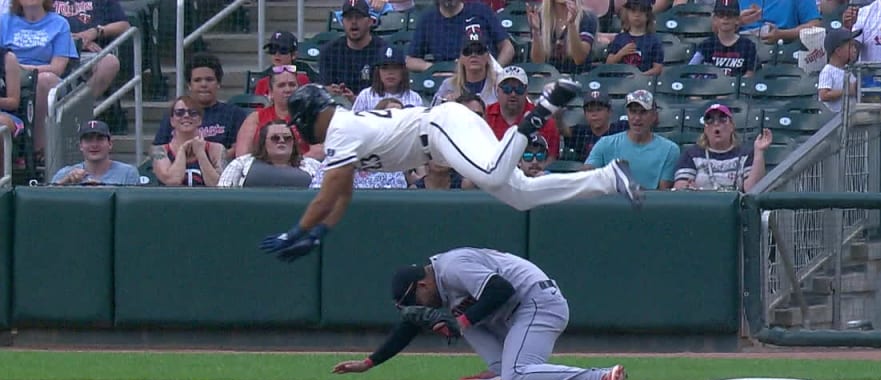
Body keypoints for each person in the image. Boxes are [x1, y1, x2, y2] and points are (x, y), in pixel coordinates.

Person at [259, 81, 641, 263]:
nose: (299, 128)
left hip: (439, 129)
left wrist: (296, 231)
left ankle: (538, 112)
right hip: (442, 131)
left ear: (311, 115)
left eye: (299, 120)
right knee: (520, 194)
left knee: (491, 176)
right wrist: (321, 232)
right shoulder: (343, 132)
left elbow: (326, 195)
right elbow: (342, 196)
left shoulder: (340, 130)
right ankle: (608, 178)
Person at [331, 247, 627, 380]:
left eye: (413, 301)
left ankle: (597, 376)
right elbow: (411, 323)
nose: (416, 307)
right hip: (516, 312)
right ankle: (499, 369)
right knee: (461, 318)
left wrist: (461, 322)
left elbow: (502, 289)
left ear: (422, 285)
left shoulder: (453, 267)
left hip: (538, 304)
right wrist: (369, 363)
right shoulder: (436, 285)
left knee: (517, 375)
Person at [0, 0, 78, 157]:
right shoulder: (4, 21)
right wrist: (13, 70)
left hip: (46, 79)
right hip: (7, 76)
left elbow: (57, 67)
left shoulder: (59, 23)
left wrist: (19, 68)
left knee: (45, 80)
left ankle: (37, 150)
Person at [152, 53, 248, 158]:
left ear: (218, 83)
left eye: (209, 79)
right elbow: (158, 149)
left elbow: (239, 150)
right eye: (197, 80)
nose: (203, 84)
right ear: (189, 85)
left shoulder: (234, 115)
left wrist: (208, 160)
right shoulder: (177, 114)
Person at [583, 89, 677, 190]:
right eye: (633, 112)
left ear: (654, 116)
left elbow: (662, 194)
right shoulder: (604, 143)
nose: (637, 118)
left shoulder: (669, 149)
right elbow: (587, 177)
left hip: (649, 204)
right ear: (627, 114)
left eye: (643, 112)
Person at [672, 102, 772, 192]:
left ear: (732, 126)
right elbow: (680, 187)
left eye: (723, 119)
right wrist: (689, 189)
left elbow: (752, 189)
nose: (716, 123)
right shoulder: (691, 155)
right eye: (710, 120)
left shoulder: (746, 154)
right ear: (705, 129)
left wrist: (759, 151)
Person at [234, 66, 322, 159]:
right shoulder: (255, 118)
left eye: (292, 85)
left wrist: (292, 166)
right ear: (271, 92)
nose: (288, 90)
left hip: (301, 169)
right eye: (281, 85)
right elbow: (242, 156)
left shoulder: (310, 116)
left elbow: (318, 152)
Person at [406, 0, 514, 72]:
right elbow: (410, 60)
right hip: (447, 78)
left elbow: (507, 48)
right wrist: (434, 68)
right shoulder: (428, 19)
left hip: (483, 73)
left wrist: (495, 71)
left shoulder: (480, 10)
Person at [52, 0, 128, 99]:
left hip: (90, 54)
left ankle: (78, 106)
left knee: (110, 63)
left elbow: (124, 25)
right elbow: (34, 23)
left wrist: (96, 31)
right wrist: (74, 41)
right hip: (54, 52)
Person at [319, 0, 392, 102]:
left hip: (374, 111)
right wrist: (331, 91)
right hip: (340, 109)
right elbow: (324, 88)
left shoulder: (383, 51)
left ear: (370, 21)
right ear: (342, 22)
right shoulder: (330, 51)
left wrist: (357, 100)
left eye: (358, 17)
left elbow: (389, 94)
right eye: (348, 18)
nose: (353, 22)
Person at [485, 66, 560, 160]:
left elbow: (551, 158)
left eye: (519, 89)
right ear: (497, 91)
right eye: (507, 89)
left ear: (526, 91)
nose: (513, 94)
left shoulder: (542, 119)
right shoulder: (485, 116)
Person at [218, 120, 320, 187]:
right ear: (263, 142)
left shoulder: (313, 166)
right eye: (275, 138)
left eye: (287, 138)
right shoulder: (241, 163)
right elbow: (223, 193)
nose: (282, 141)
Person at [152, 95, 225, 187]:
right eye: (179, 113)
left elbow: (218, 185)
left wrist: (201, 154)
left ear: (200, 120)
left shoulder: (217, 149)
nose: (186, 116)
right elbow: (173, 181)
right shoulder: (159, 151)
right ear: (172, 121)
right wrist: (182, 150)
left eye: (193, 113)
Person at [50, 120, 140, 185]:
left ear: (110, 144)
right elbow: (47, 202)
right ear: (80, 146)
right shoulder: (65, 173)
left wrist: (104, 190)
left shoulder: (128, 173)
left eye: (100, 139)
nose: (94, 145)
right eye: (88, 139)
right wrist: (65, 182)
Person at [689, 0, 759, 77]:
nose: (725, 18)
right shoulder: (706, 45)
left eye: (730, 15)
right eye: (721, 14)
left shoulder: (748, 46)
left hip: (738, 87)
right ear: (715, 19)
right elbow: (691, 70)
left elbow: (750, 74)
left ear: (737, 19)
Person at [528, 0, 599, 74]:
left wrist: (572, 24)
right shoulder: (539, 16)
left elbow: (579, 59)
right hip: (548, 76)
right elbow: (538, 62)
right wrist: (536, 31)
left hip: (578, 75)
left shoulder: (587, 17)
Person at [353, 98, 411, 188]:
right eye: (391, 112)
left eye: (400, 114)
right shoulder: (363, 138)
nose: (396, 117)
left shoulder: (408, 143)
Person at [430, 33, 500, 106]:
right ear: (461, 58)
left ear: (488, 57)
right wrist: (446, 105)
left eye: (479, 51)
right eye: (467, 51)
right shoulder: (448, 85)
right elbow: (433, 113)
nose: (473, 55)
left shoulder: (498, 84)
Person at [560, 89, 627, 160]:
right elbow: (565, 131)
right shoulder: (581, 132)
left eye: (599, 110)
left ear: (609, 111)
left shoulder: (621, 128)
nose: (594, 114)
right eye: (590, 110)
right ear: (585, 114)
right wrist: (558, 118)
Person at [352, 45, 423, 111]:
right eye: (385, 68)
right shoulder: (365, 96)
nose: (390, 72)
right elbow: (355, 122)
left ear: (403, 71)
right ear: (378, 72)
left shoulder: (415, 98)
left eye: (395, 68)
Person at [606, 0, 664, 76]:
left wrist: (640, 76)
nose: (637, 15)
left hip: (644, 83)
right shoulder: (619, 39)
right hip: (620, 83)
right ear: (627, 14)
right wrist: (621, 53)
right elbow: (608, 64)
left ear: (648, 15)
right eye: (633, 11)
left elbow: (658, 68)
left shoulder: (654, 41)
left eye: (641, 11)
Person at [253, 31, 311, 97]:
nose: (277, 54)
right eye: (273, 49)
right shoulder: (262, 83)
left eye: (283, 50)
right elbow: (257, 107)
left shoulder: (302, 79)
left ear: (294, 54)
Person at [737, 0, 822, 44]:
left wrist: (783, 34)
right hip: (741, 51)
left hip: (784, 50)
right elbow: (724, 26)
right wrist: (738, 22)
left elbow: (815, 25)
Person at [818, 27, 861, 113]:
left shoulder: (849, 70)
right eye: (851, 46)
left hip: (850, 116)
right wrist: (848, 90)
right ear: (838, 51)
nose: (855, 50)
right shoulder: (828, 71)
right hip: (834, 121)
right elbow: (823, 95)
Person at [0, 48, 23, 171]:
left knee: (1, 125)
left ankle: (2, 184)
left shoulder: (7, 58)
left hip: (7, 114)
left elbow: (13, 102)